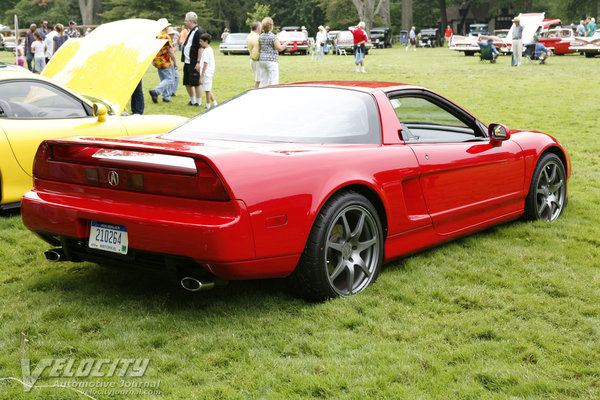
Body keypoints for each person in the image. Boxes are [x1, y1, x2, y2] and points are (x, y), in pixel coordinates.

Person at [149, 22, 178, 103]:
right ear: (165, 27)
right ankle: (156, 91)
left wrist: (152, 60)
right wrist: (175, 62)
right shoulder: (166, 36)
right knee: (170, 79)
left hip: (157, 61)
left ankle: (165, 97)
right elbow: (170, 51)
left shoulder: (155, 36)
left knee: (164, 79)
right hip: (165, 61)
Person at [181, 11, 204, 106]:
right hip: (187, 61)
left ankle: (198, 102)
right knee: (187, 82)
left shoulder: (199, 31)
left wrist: (198, 62)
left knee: (196, 83)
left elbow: (200, 47)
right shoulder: (191, 31)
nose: (185, 22)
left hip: (194, 61)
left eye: (186, 21)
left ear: (190, 21)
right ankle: (192, 100)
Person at [258, 17, 288, 87]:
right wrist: (286, 43)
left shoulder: (260, 36)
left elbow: (259, 48)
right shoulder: (273, 37)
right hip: (271, 60)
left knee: (263, 81)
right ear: (271, 26)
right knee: (274, 81)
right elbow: (279, 48)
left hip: (262, 60)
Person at [198, 33, 217, 109]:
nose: (200, 43)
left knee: (207, 90)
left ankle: (208, 104)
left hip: (206, 73)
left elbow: (205, 64)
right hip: (209, 72)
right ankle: (214, 102)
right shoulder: (209, 49)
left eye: (201, 41)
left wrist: (201, 76)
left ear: (206, 41)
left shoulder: (206, 51)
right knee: (207, 88)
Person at [247, 21, 261, 88]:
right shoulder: (256, 37)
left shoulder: (249, 36)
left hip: (252, 59)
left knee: (257, 79)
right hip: (257, 60)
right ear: (258, 29)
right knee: (258, 80)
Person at [167, 27, 180, 97]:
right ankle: (169, 92)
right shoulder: (168, 41)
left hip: (170, 62)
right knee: (172, 77)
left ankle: (171, 92)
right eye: (172, 34)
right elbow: (171, 53)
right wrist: (175, 63)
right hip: (169, 62)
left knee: (174, 77)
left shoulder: (170, 41)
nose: (173, 35)